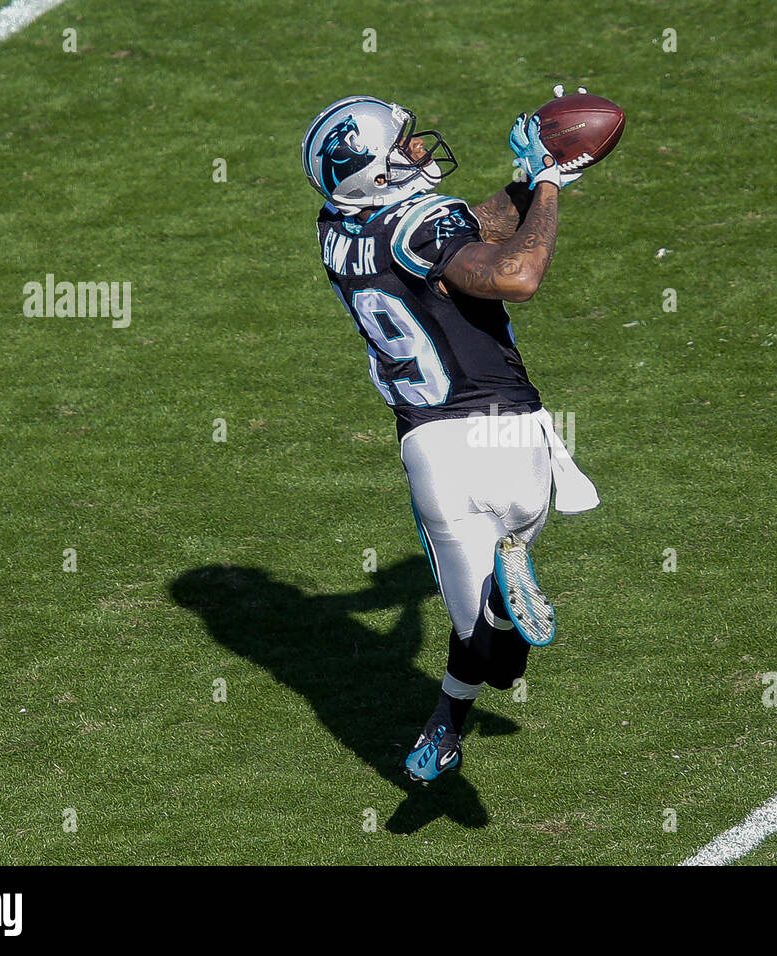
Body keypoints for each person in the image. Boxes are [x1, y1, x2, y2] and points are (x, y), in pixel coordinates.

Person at [302, 91, 599, 782]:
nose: (417, 148)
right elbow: (513, 274)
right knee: (498, 655)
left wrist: (526, 183)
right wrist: (550, 183)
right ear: (376, 173)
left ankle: (446, 722)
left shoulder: (337, 228)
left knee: (487, 653)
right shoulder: (422, 224)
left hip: (433, 454)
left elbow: (469, 230)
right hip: (512, 439)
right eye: (401, 146)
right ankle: (502, 598)